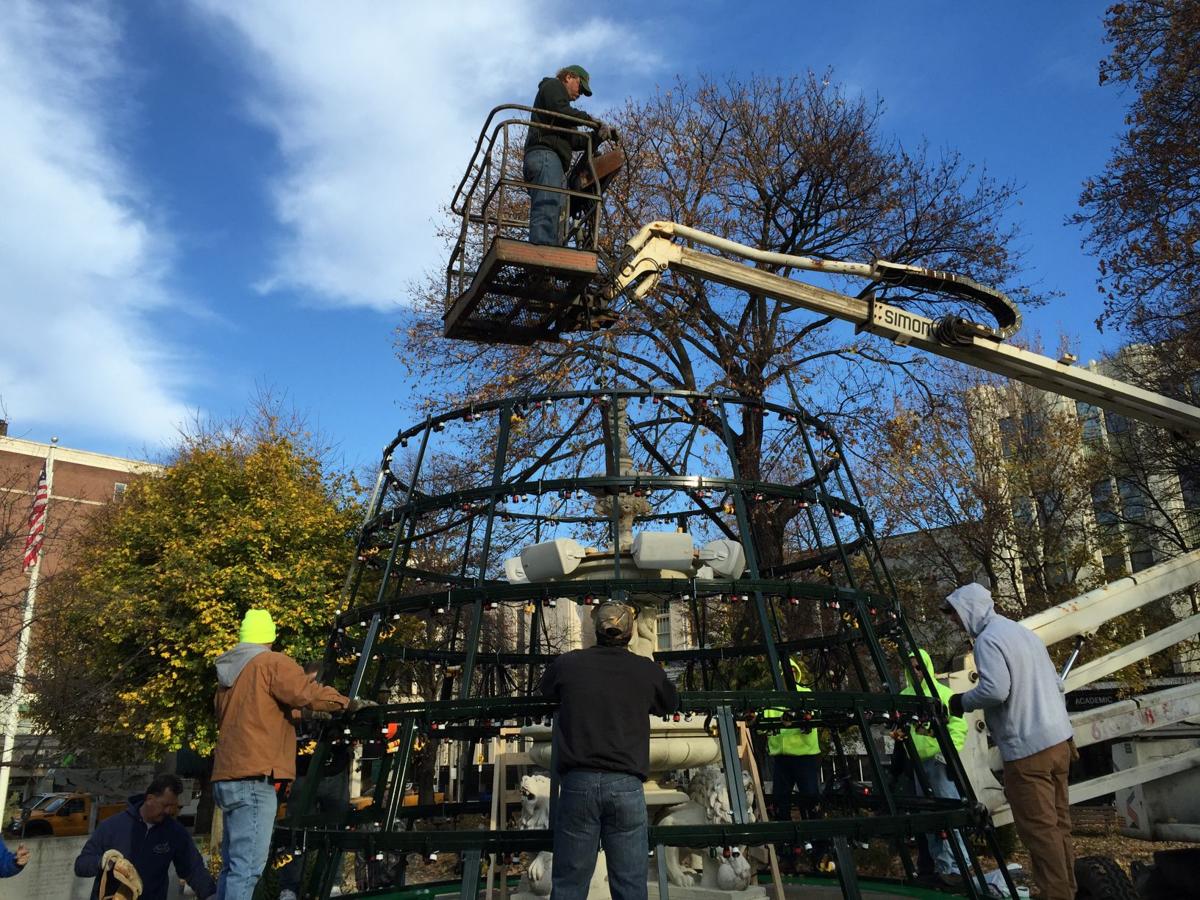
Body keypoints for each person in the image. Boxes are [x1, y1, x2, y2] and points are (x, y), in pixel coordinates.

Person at [212, 609, 362, 900]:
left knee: (232, 868)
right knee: (247, 869)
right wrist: (347, 704)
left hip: (226, 776)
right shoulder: (271, 662)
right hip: (255, 776)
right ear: (269, 636)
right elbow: (305, 692)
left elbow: (253, 713)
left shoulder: (230, 674)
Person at [943, 583, 1076, 900]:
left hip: (1028, 749)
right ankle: (1068, 889)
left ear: (969, 611)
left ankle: (1056, 896)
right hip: (1060, 741)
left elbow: (995, 690)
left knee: (1039, 830)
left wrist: (961, 702)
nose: (955, 623)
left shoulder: (989, 640)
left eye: (956, 616)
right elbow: (1056, 683)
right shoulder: (1023, 634)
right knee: (1059, 824)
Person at [538, 601, 679, 900]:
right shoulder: (645, 670)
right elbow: (670, 702)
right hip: (626, 785)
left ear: (596, 630)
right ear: (629, 633)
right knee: (629, 884)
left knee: (569, 884)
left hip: (578, 782)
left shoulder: (569, 663)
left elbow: (545, 689)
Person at [278, 663, 353, 900]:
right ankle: (290, 886)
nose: (312, 689)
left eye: (316, 684)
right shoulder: (297, 704)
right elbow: (290, 716)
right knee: (296, 830)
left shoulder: (334, 701)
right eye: (309, 684)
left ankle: (333, 881)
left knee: (335, 827)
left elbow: (348, 723)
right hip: (303, 774)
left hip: (332, 773)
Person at [74, 773, 214, 900]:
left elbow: (193, 869)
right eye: (165, 805)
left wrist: (211, 895)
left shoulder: (175, 832)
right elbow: (81, 865)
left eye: (173, 806)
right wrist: (104, 863)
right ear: (149, 799)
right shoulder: (112, 826)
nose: (169, 811)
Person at [895, 647, 970, 885]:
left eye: (919, 666)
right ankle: (943, 867)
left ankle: (960, 866)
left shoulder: (942, 694)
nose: (915, 671)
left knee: (948, 813)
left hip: (938, 762)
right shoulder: (904, 696)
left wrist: (947, 754)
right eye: (911, 667)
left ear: (926, 667)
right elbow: (902, 727)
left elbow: (958, 727)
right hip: (917, 764)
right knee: (928, 819)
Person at [524, 65, 613, 246]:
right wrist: (591, 120)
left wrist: (598, 136)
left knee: (557, 212)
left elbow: (574, 141)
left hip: (553, 162)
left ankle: (551, 251)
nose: (580, 93)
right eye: (580, 87)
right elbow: (559, 109)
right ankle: (542, 251)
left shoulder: (565, 114)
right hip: (546, 156)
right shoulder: (552, 86)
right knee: (547, 205)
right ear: (569, 77)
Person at [761, 656, 829, 873]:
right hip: (782, 759)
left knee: (811, 802)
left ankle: (820, 853)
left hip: (805, 757)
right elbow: (762, 726)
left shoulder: (804, 694)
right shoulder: (772, 698)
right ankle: (787, 854)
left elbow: (814, 718)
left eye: (791, 671)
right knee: (780, 805)